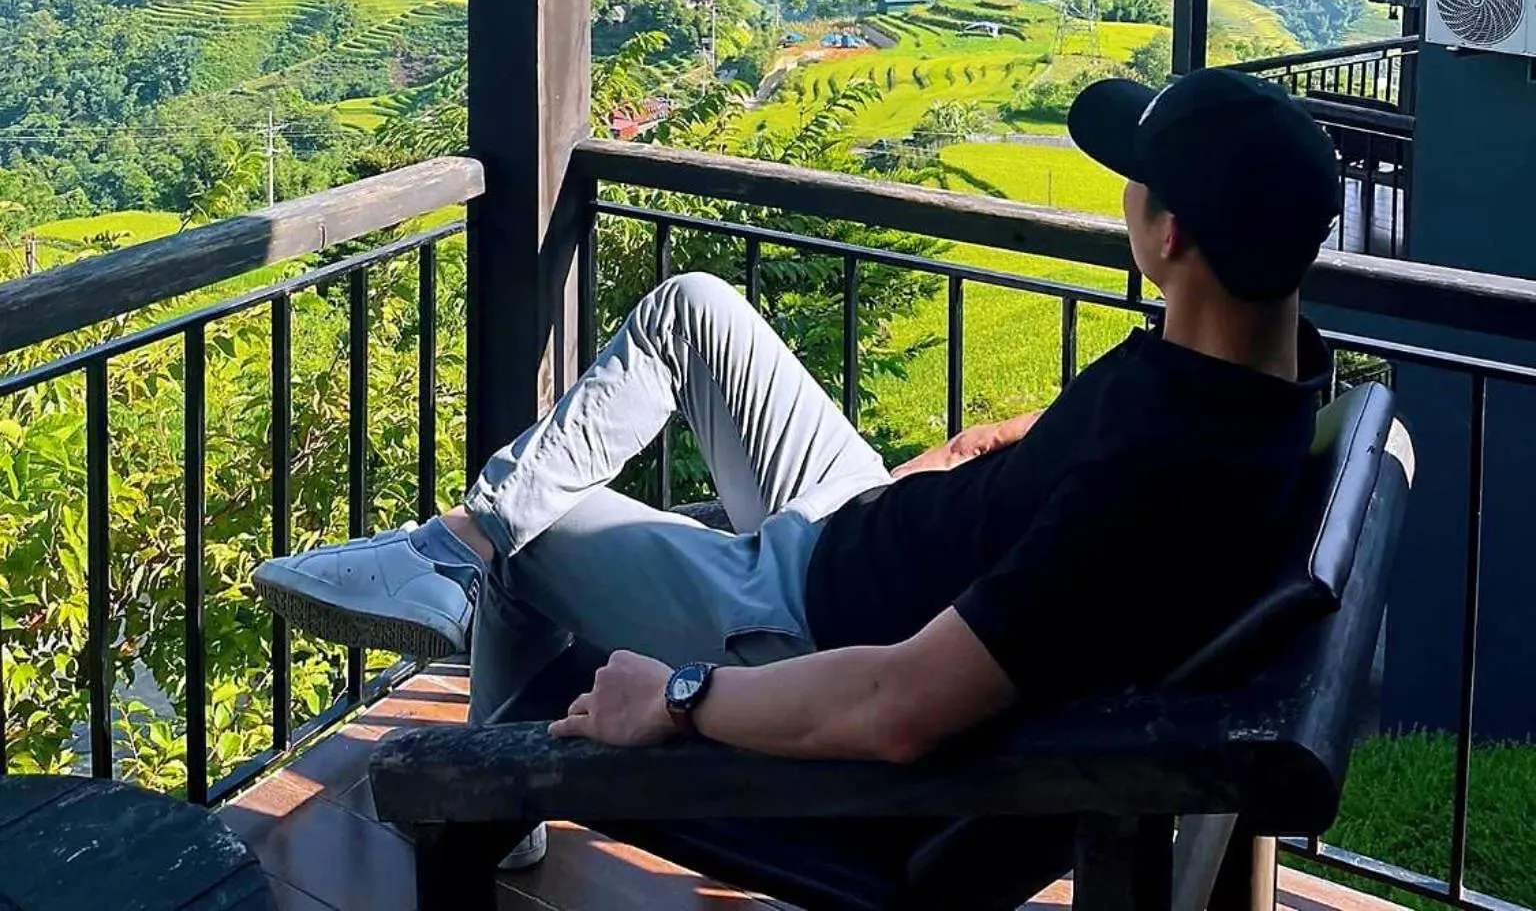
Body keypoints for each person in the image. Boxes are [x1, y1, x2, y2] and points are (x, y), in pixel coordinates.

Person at [255, 68, 1340, 790]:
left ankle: (491, 786)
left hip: (810, 624)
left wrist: (677, 697)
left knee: (535, 531)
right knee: (692, 309)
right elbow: (1054, 447)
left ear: (1171, 235)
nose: (1123, 195)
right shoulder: (1262, 369)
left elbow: (902, 705)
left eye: (1133, 180)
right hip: (866, 524)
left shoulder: (1154, 481)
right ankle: (457, 545)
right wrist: (951, 462)